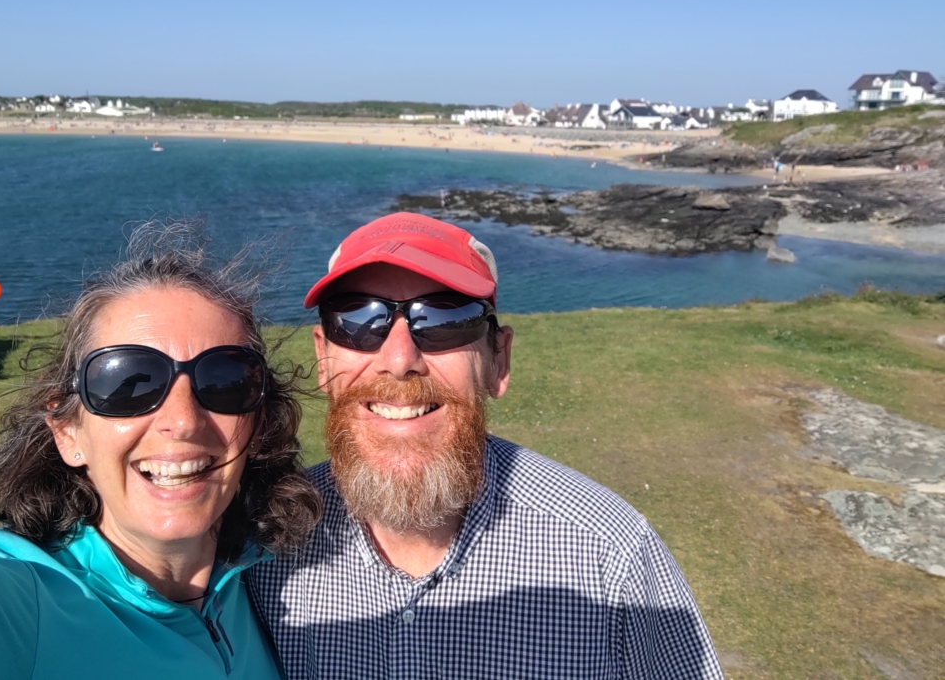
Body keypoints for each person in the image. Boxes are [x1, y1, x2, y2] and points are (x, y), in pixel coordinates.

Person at [248, 212, 724, 679]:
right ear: (324, 360)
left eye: (444, 319)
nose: (398, 360)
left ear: (498, 359)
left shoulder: (611, 558)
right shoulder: (264, 543)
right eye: (357, 319)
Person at [0, 220, 320, 679]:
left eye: (223, 381)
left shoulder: (265, 573)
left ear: (259, 421)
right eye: (128, 384)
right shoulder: (10, 599)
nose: (184, 420)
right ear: (68, 431)